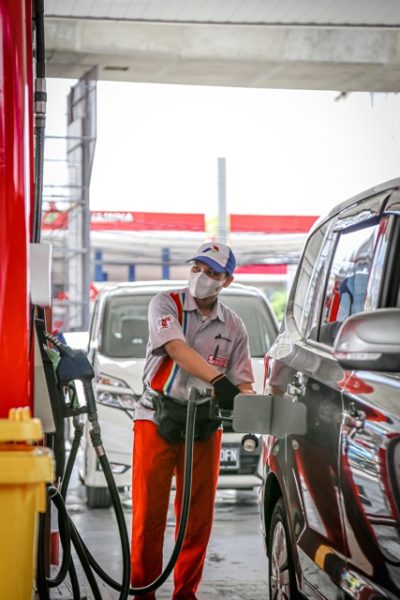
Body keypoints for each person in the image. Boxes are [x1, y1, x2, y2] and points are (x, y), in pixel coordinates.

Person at [130, 242, 254, 600]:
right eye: (197, 268)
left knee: (197, 519)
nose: (201, 277)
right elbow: (176, 349)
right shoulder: (166, 303)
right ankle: (143, 593)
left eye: (212, 272)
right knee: (149, 515)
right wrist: (219, 381)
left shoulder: (234, 326)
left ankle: (186, 594)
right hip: (157, 419)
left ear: (226, 281)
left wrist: (250, 402)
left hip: (203, 426)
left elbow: (243, 380)